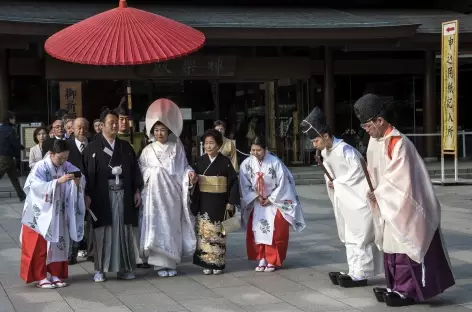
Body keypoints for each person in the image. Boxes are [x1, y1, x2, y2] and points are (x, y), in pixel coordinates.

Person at [353, 93, 455, 307]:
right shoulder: (375, 141)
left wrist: (379, 192)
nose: (367, 131)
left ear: (380, 121)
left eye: (368, 126)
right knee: (391, 246)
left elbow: (400, 180)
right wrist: (372, 190)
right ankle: (394, 286)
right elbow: (373, 172)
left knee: (403, 246)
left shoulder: (400, 143)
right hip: (387, 202)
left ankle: (407, 290)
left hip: (405, 205)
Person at [300, 106, 383, 288]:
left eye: (315, 140)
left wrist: (337, 183)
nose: (314, 145)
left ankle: (362, 273)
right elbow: (330, 174)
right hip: (344, 198)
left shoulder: (345, 150)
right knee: (348, 235)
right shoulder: (324, 153)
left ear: (325, 136)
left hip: (358, 197)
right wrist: (332, 182)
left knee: (360, 235)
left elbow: (358, 174)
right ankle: (354, 270)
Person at [83, 109, 143, 282]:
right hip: (101, 195)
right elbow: (85, 174)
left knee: (123, 231)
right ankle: (100, 268)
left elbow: (134, 171)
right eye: (112, 122)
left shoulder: (125, 147)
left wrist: (137, 190)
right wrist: (86, 194)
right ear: (102, 125)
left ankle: (124, 268)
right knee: (102, 231)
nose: (116, 125)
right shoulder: (91, 148)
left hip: (123, 194)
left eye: (117, 122)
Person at [139, 98, 197, 277]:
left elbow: (184, 167)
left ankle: (171, 264)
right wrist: (155, 173)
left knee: (171, 227)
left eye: (162, 130)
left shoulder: (176, 148)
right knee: (157, 226)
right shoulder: (147, 150)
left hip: (172, 195)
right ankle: (158, 265)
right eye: (156, 130)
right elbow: (142, 169)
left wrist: (189, 174)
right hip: (155, 197)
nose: (159, 133)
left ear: (168, 130)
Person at [20, 139, 86, 289]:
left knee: (58, 244)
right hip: (40, 213)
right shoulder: (40, 167)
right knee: (40, 245)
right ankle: (41, 276)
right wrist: (57, 182)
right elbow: (35, 187)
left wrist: (77, 183)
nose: (63, 161)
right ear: (51, 154)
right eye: (60, 158)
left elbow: (80, 179)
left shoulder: (67, 166)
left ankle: (55, 274)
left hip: (58, 211)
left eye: (65, 158)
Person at [239, 137, 305, 272]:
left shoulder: (275, 163)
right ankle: (261, 257)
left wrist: (271, 198)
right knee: (257, 230)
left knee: (276, 232)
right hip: (257, 202)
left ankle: (272, 259)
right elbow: (244, 184)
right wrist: (256, 196)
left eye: (259, 150)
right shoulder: (246, 164)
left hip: (275, 203)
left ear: (266, 150)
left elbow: (284, 184)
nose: (255, 153)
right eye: (253, 150)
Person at [191, 129, 240, 275]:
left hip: (220, 202)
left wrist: (231, 201)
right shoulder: (200, 161)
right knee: (205, 234)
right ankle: (206, 263)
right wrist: (192, 180)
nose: (208, 146)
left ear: (219, 145)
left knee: (219, 233)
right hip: (204, 200)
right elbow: (193, 179)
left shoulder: (225, 162)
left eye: (211, 143)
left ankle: (217, 263)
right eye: (206, 143)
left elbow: (233, 183)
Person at [66, 118, 90, 264]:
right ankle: (72, 253)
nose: (82, 131)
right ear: (73, 129)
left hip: (90, 189)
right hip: (72, 189)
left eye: (85, 128)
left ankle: (90, 250)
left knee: (89, 221)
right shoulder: (67, 146)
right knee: (73, 219)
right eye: (79, 128)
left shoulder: (94, 145)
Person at [0, 111, 26, 201]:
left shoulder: (1, 128)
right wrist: (22, 147)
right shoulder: (10, 130)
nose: (15, 120)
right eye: (13, 118)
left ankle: (22, 195)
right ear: (9, 119)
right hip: (5, 157)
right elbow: (14, 142)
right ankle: (22, 195)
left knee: (14, 177)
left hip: (6, 156)